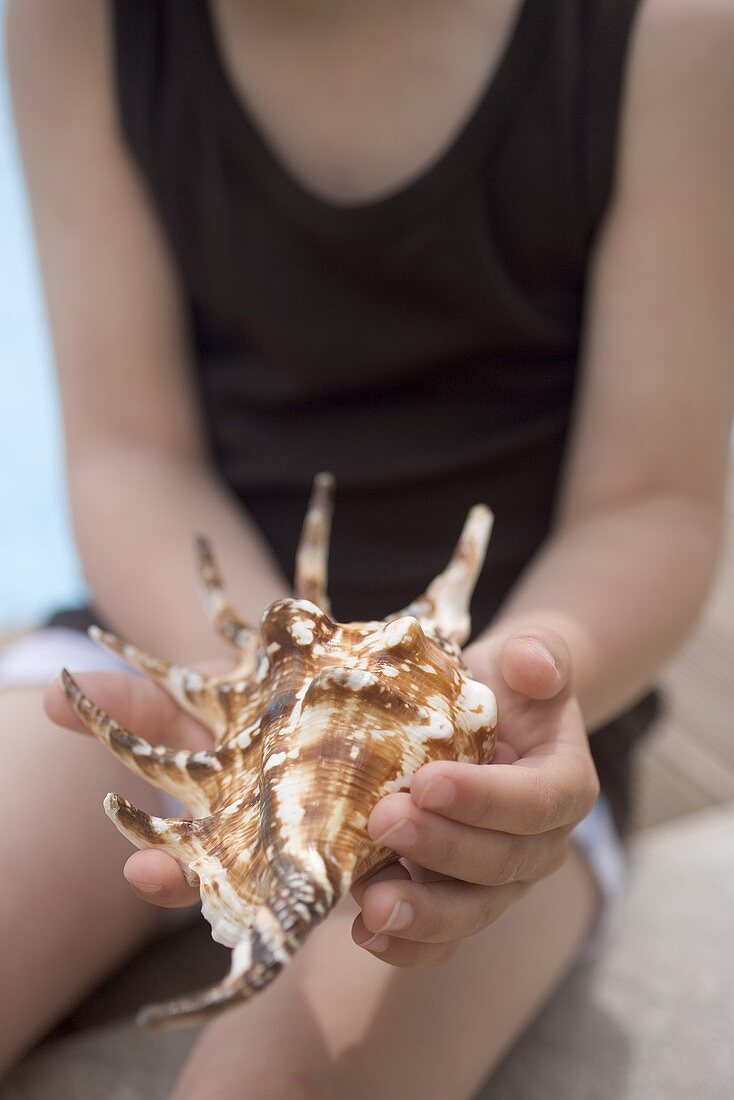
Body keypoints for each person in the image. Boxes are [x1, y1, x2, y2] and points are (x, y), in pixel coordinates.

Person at [2, 0, 733, 1096]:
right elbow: (129, 456)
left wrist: (496, 701)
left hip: (499, 723)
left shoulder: (668, 31)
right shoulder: (78, 19)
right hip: (194, 646)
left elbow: (649, 505)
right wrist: (269, 695)